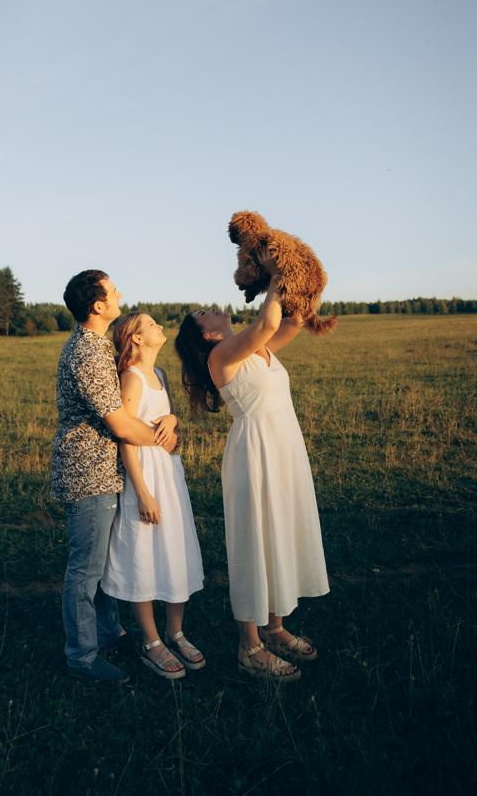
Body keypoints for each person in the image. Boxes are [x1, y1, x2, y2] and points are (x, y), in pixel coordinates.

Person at [174, 282, 329, 683]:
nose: (209, 308)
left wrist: (302, 281)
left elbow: (292, 320)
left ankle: (274, 628)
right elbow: (267, 322)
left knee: (281, 535)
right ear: (207, 334)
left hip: (284, 448)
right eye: (201, 314)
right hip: (255, 454)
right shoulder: (222, 355)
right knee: (256, 542)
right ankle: (250, 647)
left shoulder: (260, 349)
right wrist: (274, 275)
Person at [52, 270, 177, 684]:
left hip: (103, 471)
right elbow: (121, 425)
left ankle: (108, 632)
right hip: (89, 472)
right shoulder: (88, 353)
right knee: (85, 571)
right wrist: (166, 441)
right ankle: (82, 657)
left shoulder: (97, 346)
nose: (120, 293)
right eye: (112, 290)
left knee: (100, 564)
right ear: (98, 305)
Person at [102, 313, 205, 680]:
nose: (159, 325)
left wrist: (174, 421)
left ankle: (176, 631)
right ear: (137, 339)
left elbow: (169, 415)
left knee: (174, 547)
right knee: (143, 552)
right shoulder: (131, 378)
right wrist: (143, 493)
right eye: (150, 324)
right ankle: (151, 640)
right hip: (144, 477)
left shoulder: (159, 376)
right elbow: (126, 440)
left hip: (169, 472)